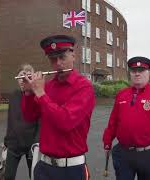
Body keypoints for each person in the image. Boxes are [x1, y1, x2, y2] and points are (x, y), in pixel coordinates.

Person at [20, 35, 95, 180]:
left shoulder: (84, 87)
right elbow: (30, 116)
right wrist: (29, 92)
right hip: (45, 166)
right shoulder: (48, 86)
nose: (58, 63)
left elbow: (65, 122)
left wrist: (40, 93)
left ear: (73, 55)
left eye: (62, 57)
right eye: (53, 59)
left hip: (71, 169)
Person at [102, 56, 150, 180]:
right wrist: (107, 142)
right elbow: (113, 122)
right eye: (133, 71)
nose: (137, 73)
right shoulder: (122, 95)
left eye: (141, 70)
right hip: (123, 153)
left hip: (147, 154)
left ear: (148, 73)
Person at [3, 64, 39, 180]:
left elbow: (41, 122)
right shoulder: (14, 95)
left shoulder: (37, 96)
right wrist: (6, 141)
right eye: (21, 75)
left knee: (33, 175)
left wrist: (36, 144)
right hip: (14, 144)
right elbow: (11, 120)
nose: (23, 79)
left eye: (28, 75)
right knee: (7, 176)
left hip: (31, 145)